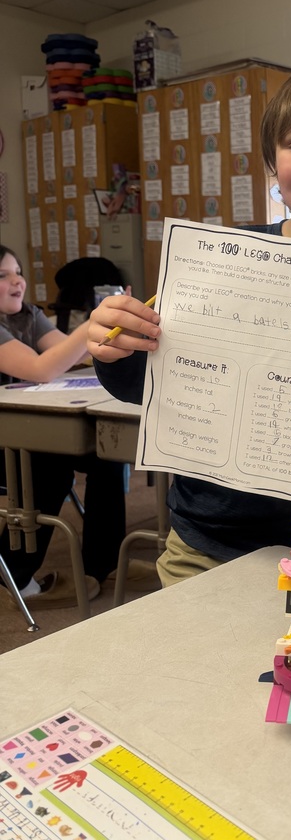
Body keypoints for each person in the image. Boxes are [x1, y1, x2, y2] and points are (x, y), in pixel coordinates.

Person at [88, 65, 291, 586]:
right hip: (205, 541)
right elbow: (144, 387)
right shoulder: (221, 260)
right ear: (272, 163)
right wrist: (114, 348)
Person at [0, 245, 127, 607]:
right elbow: (42, 369)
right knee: (49, 468)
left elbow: (78, 353)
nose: (17, 281)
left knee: (105, 454)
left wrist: (113, 327)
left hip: (22, 430)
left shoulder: (28, 315)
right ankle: (15, 573)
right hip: (8, 442)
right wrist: (91, 323)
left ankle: (102, 565)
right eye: (3, 275)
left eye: (18, 271)